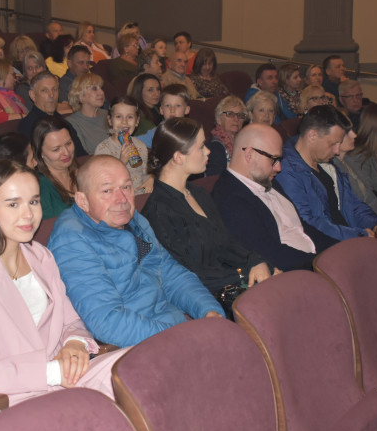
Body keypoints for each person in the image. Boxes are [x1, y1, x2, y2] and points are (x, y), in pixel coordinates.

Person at [0, 160, 124, 405]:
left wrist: (74, 344)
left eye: (33, 201)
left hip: (67, 380)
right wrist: (52, 372)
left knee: (139, 366)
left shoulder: (40, 256)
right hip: (15, 399)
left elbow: (71, 321)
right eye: (14, 204)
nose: (28, 214)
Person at [47, 155, 225, 346]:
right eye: (107, 191)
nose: (122, 199)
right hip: (135, 346)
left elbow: (172, 275)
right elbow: (107, 322)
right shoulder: (72, 239)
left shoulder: (134, 220)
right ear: (82, 201)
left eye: (126, 187)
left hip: (172, 329)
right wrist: (181, 335)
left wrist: (208, 310)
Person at [144, 118, 276, 300]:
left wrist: (256, 262)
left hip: (233, 282)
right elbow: (188, 275)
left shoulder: (198, 193)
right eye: (201, 147)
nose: (208, 151)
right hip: (209, 297)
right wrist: (245, 276)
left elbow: (227, 243)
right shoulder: (157, 212)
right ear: (178, 157)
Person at [213, 124, 329, 272]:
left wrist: (338, 250)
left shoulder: (269, 181)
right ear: (249, 154)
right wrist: (323, 264)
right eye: (273, 159)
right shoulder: (229, 198)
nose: (278, 168)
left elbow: (303, 228)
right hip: (296, 274)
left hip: (313, 263)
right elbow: (272, 255)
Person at [275, 105, 377, 241]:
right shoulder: (287, 171)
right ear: (312, 135)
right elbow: (307, 224)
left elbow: (353, 204)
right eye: (333, 144)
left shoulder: (327, 163)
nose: (337, 151)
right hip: (329, 245)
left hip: (350, 237)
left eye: (339, 144)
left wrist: (376, 226)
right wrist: (359, 234)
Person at [328, 113, 377, 220]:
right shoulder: (332, 169)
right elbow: (354, 208)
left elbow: (370, 198)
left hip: (373, 216)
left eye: (352, 130)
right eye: (347, 132)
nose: (354, 135)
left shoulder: (351, 161)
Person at [93, 96, 153, 194]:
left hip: (141, 196)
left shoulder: (140, 145)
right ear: (110, 120)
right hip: (118, 198)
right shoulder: (103, 149)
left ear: (137, 121)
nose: (124, 122)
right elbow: (102, 182)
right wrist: (121, 162)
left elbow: (145, 173)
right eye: (118, 117)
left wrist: (151, 179)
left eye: (130, 117)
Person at [33, 116, 79, 220]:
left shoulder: (84, 173)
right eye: (56, 149)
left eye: (68, 143)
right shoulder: (40, 187)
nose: (66, 152)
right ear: (41, 153)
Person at [65, 72, 107, 154]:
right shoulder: (72, 123)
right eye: (94, 88)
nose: (102, 92)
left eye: (101, 88)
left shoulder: (109, 115)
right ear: (81, 96)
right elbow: (83, 156)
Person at [206, 95, 247, 176]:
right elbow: (214, 179)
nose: (236, 119)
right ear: (218, 119)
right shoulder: (215, 146)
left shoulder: (246, 143)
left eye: (240, 115)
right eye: (230, 114)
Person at [130, 73, 162, 137]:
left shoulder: (158, 108)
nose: (156, 93)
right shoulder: (138, 116)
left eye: (158, 89)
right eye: (150, 90)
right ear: (140, 92)